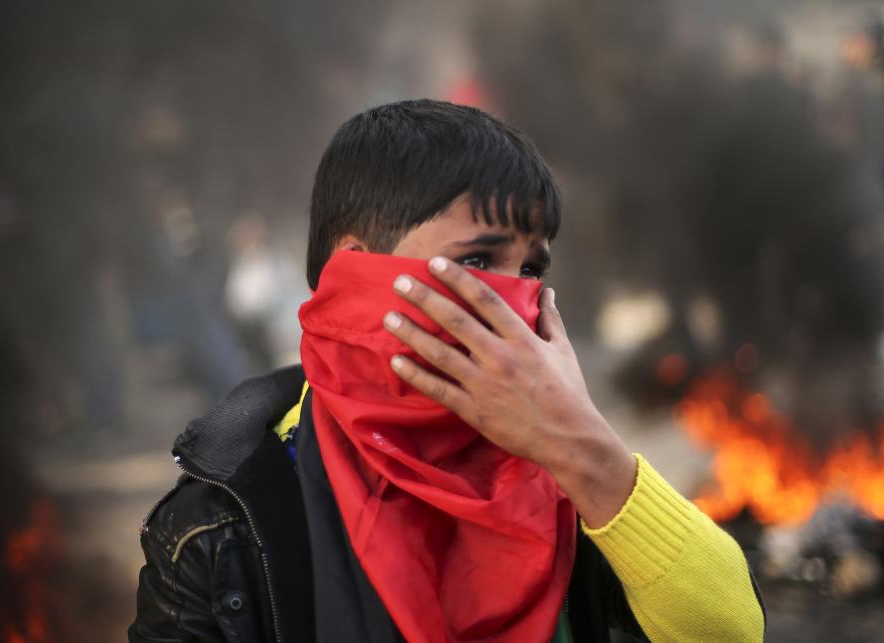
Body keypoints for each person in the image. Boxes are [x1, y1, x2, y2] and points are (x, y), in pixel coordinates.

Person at [129, 99, 766, 643]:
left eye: (531, 271)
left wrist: (584, 448)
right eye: (479, 259)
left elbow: (732, 629)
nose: (514, 304)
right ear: (354, 273)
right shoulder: (221, 524)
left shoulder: (572, 483)